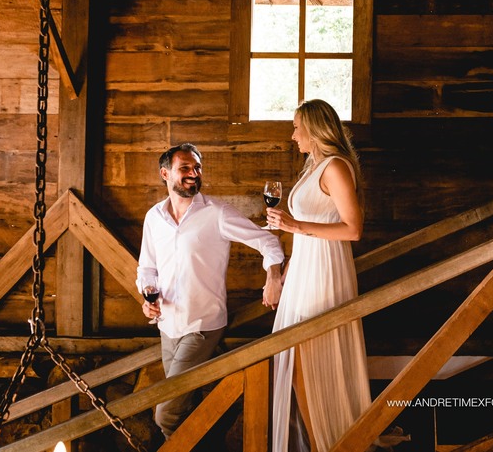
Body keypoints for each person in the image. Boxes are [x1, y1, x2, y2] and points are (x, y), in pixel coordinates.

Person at [136, 142, 285, 440]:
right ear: (165, 174)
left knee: (166, 413)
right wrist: (146, 299)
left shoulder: (217, 213)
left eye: (198, 167)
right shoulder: (154, 217)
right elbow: (147, 269)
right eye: (185, 168)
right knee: (184, 405)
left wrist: (274, 276)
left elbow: (267, 242)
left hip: (203, 324)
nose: (194, 173)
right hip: (167, 325)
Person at [266, 99, 371, 452]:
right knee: (295, 360)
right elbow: (302, 237)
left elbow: (353, 229)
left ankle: (328, 442)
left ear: (314, 129)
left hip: (326, 270)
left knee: (308, 361)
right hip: (304, 272)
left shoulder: (336, 168)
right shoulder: (314, 166)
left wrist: (294, 224)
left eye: (297, 127)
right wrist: (283, 277)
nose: (293, 135)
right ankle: (317, 440)